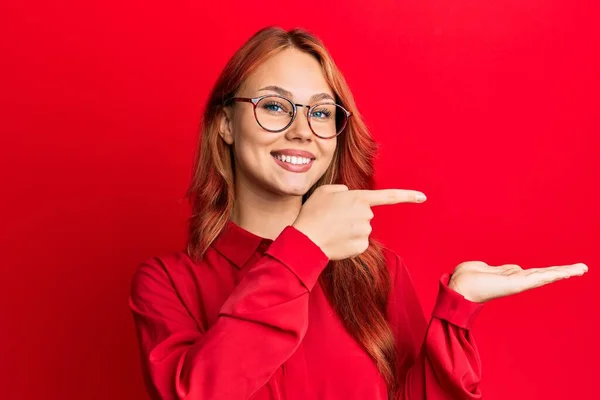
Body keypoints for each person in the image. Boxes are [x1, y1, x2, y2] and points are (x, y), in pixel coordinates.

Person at [128, 26, 588, 400]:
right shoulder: (167, 284)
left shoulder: (379, 273)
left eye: (322, 113)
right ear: (226, 123)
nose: (302, 130)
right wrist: (300, 251)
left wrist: (456, 313)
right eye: (273, 105)